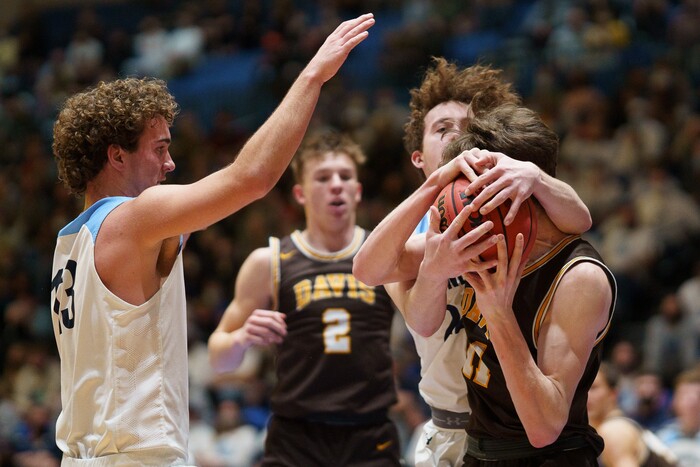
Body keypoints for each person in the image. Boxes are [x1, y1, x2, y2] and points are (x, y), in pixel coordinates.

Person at [49, 13, 375, 465]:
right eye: (160, 148)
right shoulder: (135, 218)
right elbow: (252, 179)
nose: (171, 164)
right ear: (117, 156)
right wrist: (313, 75)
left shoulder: (71, 242)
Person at [353, 58, 592, 467]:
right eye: (442, 129)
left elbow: (581, 219)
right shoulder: (407, 239)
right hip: (451, 429)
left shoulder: (509, 203)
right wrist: (434, 254)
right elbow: (391, 291)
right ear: (418, 157)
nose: (456, 139)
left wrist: (535, 175)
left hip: (519, 429)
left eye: (468, 129)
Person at [208, 130, 402, 466]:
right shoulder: (269, 260)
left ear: (357, 192)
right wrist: (241, 338)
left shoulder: (387, 256)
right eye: (323, 178)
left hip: (369, 433)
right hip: (296, 437)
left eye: (345, 177)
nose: (336, 185)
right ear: (300, 193)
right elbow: (218, 359)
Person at [587, 362, 679, 467]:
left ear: (613, 393)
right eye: (581, 389)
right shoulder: (619, 425)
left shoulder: (614, 430)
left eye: (594, 388)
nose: (585, 395)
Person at [655, 366, 700, 467]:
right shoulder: (661, 439)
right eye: (685, 395)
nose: (691, 402)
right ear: (674, 402)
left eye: (698, 395)